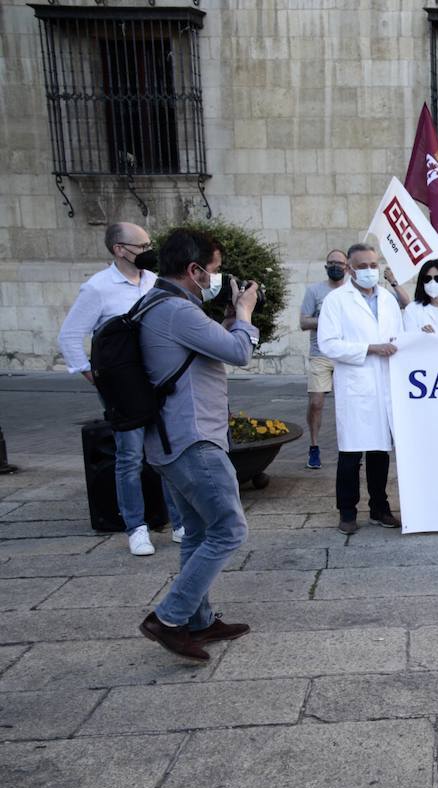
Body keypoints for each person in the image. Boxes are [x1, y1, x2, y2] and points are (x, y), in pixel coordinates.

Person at [135, 227, 258, 661]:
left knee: (198, 533)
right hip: (194, 440)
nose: (217, 278)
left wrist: (227, 322)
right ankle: (168, 617)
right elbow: (239, 353)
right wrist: (244, 313)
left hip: (172, 440)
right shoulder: (176, 311)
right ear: (193, 270)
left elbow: (211, 348)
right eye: (214, 270)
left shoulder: (162, 305)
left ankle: (199, 621)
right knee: (228, 530)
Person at [58, 221, 184, 555]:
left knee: (167, 451)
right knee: (129, 455)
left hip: (157, 379)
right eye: (142, 246)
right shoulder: (97, 288)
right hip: (123, 384)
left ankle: (179, 521)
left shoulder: (154, 281)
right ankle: (136, 527)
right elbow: (69, 337)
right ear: (119, 249)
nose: (148, 251)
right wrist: (96, 377)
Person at [318, 243, 404, 534]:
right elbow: (328, 343)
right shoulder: (337, 300)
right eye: (363, 266)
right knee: (351, 453)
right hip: (356, 385)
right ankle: (347, 511)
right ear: (350, 269)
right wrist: (369, 348)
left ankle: (380, 508)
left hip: (385, 383)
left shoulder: (389, 300)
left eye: (373, 265)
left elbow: (400, 338)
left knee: (380, 452)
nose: (369, 270)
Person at [299, 249, 349, 469]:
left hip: (345, 356)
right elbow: (304, 322)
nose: (335, 266)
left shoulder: (352, 292)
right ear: (326, 265)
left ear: (347, 267)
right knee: (316, 402)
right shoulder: (315, 291)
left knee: (349, 404)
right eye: (331, 262)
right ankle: (314, 447)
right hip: (320, 355)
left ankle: (350, 448)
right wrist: (327, 320)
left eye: (340, 263)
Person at [403, 259, 438, 334]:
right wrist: (425, 337)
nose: (432, 282)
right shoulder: (412, 309)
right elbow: (410, 339)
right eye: (427, 279)